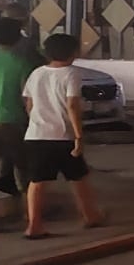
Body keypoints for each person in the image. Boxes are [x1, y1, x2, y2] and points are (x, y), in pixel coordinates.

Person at [21, 33, 104, 239]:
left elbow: (29, 103)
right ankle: (90, 216)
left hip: (36, 134)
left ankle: (34, 225)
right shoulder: (71, 74)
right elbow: (72, 105)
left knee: (37, 181)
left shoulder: (37, 73)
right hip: (63, 136)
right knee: (78, 177)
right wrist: (78, 135)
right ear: (74, 52)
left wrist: (39, 120)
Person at [0, 16, 38, 229]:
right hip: (13, 122)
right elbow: (27, 97)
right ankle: (30, 215)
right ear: (18, 39)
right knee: (24, 169)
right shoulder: (24, 62)